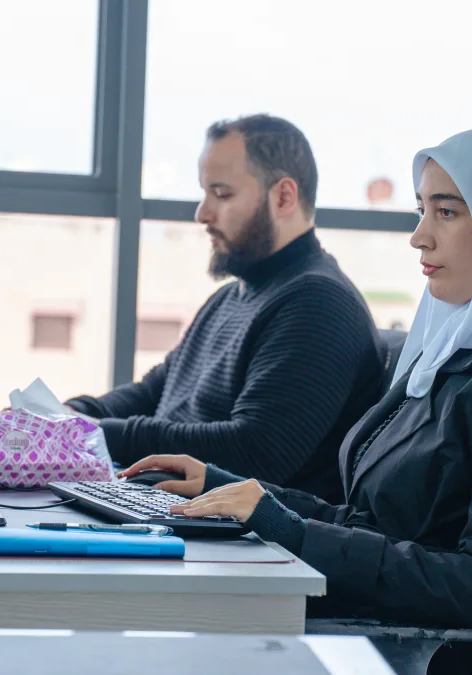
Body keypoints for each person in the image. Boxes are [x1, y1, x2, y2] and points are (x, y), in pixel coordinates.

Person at [120, 122, 472, 653]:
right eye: (421, 210)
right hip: (340, 625)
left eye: (446, 212)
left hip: (374, 650)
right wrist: (229, 489)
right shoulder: (457, 351)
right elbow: (373, 524)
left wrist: (289, 530)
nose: (419, 236)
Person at [67, 114, 383, 502]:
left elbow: (254, 452)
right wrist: (71, 413)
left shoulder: (318, 303)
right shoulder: (236, 295)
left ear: (283, 196)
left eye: (222, 194)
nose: (202, 213)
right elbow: (155, 392)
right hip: (183, 517)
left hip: (248, 548)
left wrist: (91, 433)